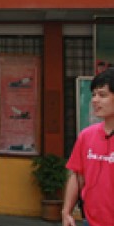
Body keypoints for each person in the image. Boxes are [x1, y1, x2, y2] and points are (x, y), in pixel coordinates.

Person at [62, 67, 114, 226]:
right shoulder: (86, 136)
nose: (95, 100)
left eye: (102, 95)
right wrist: (66, 212)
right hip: (90, 221)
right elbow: (77, 176)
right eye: (93, 95)